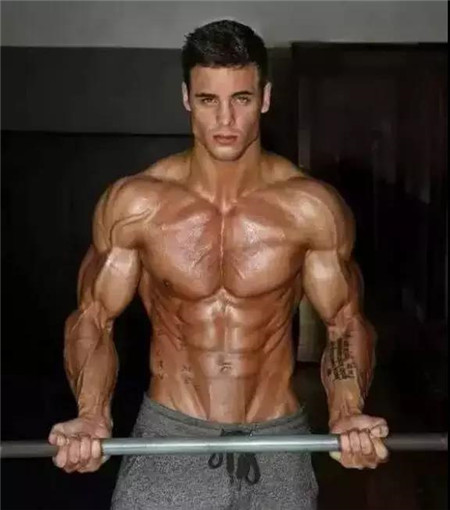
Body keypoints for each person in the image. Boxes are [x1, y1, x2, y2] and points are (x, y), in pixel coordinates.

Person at [49, 19, 389, 510]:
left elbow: (345, 322)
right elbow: (93, 318)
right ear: (187, 98)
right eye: (209, 100)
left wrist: (346, 411)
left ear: (265, 98)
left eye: (241, 99)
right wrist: (91, 414)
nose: (225, 119)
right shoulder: (136, 205)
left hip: (276, 436)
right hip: (170, 434)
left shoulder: (311, 209)